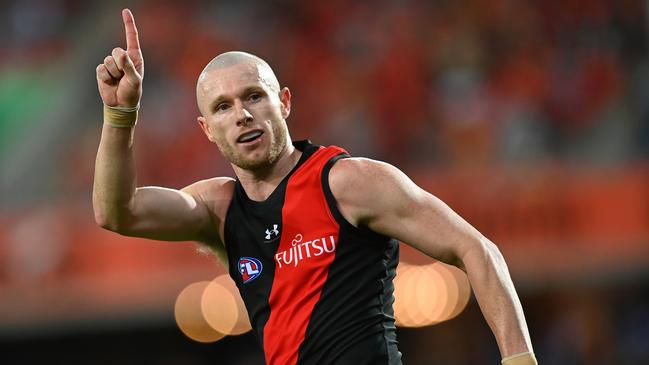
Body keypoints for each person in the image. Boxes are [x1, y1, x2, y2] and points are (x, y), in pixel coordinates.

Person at [93, 9, 537, 365]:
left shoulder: (348, 181)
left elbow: (477, 249)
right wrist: (119, 115)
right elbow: (119, 212)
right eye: (223, 107)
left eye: (253, 96)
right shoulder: (220, 208)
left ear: (283, 102)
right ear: (207, 129)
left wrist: (518, 357)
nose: (242, 115)